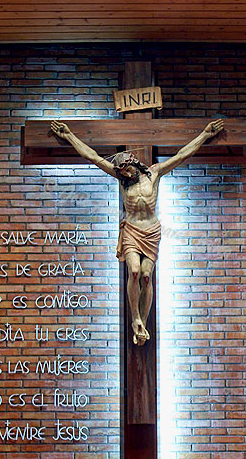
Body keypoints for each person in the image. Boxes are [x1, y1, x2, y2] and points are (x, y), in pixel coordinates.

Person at [50, 118, 225, 345]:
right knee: (133, 271)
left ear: (133, 163)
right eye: (121, 171)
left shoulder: (155, 173)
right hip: (132, 228)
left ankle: (145, 319)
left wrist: (205, 134)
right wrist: (69, 135)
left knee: (145, 275)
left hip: (151, 230)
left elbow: (182, 155)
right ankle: (136, 320)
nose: (124, 174)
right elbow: (91, 156)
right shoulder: (121, 179)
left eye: (126, 169)